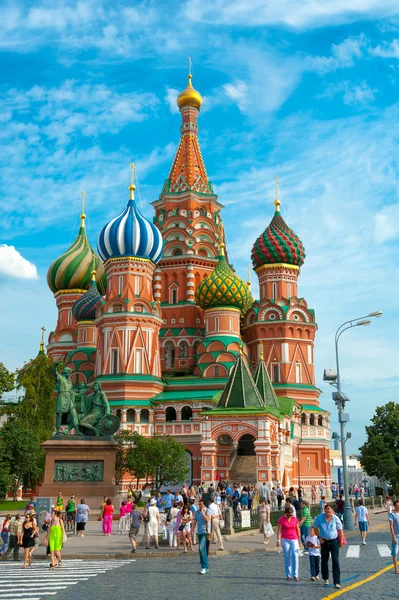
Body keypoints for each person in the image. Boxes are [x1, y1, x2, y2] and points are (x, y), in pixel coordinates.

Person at [314, 504, 343, 589]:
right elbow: (315, 527)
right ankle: (325, 578)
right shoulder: (319, 518)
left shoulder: (335, 518)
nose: (328, 513)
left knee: (335, 561)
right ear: (324, 511)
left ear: (332, 511)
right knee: (324, 560)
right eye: (326, 511)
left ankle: (337, 582)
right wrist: (319, 537)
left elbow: (340, 530)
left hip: (334, 541)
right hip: (324, 542)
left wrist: (341, 541)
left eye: (329, 511)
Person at [277, 506, 301, 581]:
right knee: (287, 556)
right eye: (288, 515)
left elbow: (297, 529)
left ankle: (296, 574)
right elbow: (279, 530)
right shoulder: (281, 519)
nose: (289, 517)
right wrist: (278, 540)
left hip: (294, 538)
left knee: (295, 555)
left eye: (291, 515)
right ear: (285, 514)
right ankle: (288, 574)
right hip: (285, 539)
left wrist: (299, 540)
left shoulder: (294, 519)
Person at [192, 499, 212, 575]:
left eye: (201, 504)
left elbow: (207, 519)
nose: (200, 506)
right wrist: (191, 531)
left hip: (205, 532)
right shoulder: (197, 512)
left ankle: (204, 567)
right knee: (202, 549)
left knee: (201, 548)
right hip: (199, 532)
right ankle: (206, 567)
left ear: (204, 504)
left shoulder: (208, 510)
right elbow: (194, 521)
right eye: (199, 504)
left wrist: (203, 512)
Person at [389, 499, 399, 574]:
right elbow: (391, 526)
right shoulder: (392, 514)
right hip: (396, 536)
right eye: (398, 505)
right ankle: (396, 568)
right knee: (395, 553)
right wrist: (394, 537)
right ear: (395, 506)